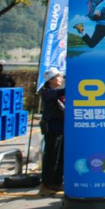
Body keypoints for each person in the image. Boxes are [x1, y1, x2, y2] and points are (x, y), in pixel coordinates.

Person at [39, 67, 65, 196]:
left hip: (61, 127)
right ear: (51, 80)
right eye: (58, 77)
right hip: (52, 128)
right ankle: (46, 185)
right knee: (51, 157)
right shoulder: (47, 92)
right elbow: (60, 92)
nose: (60, 79)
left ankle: (57, 182)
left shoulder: (58, 93)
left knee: (60, 157)